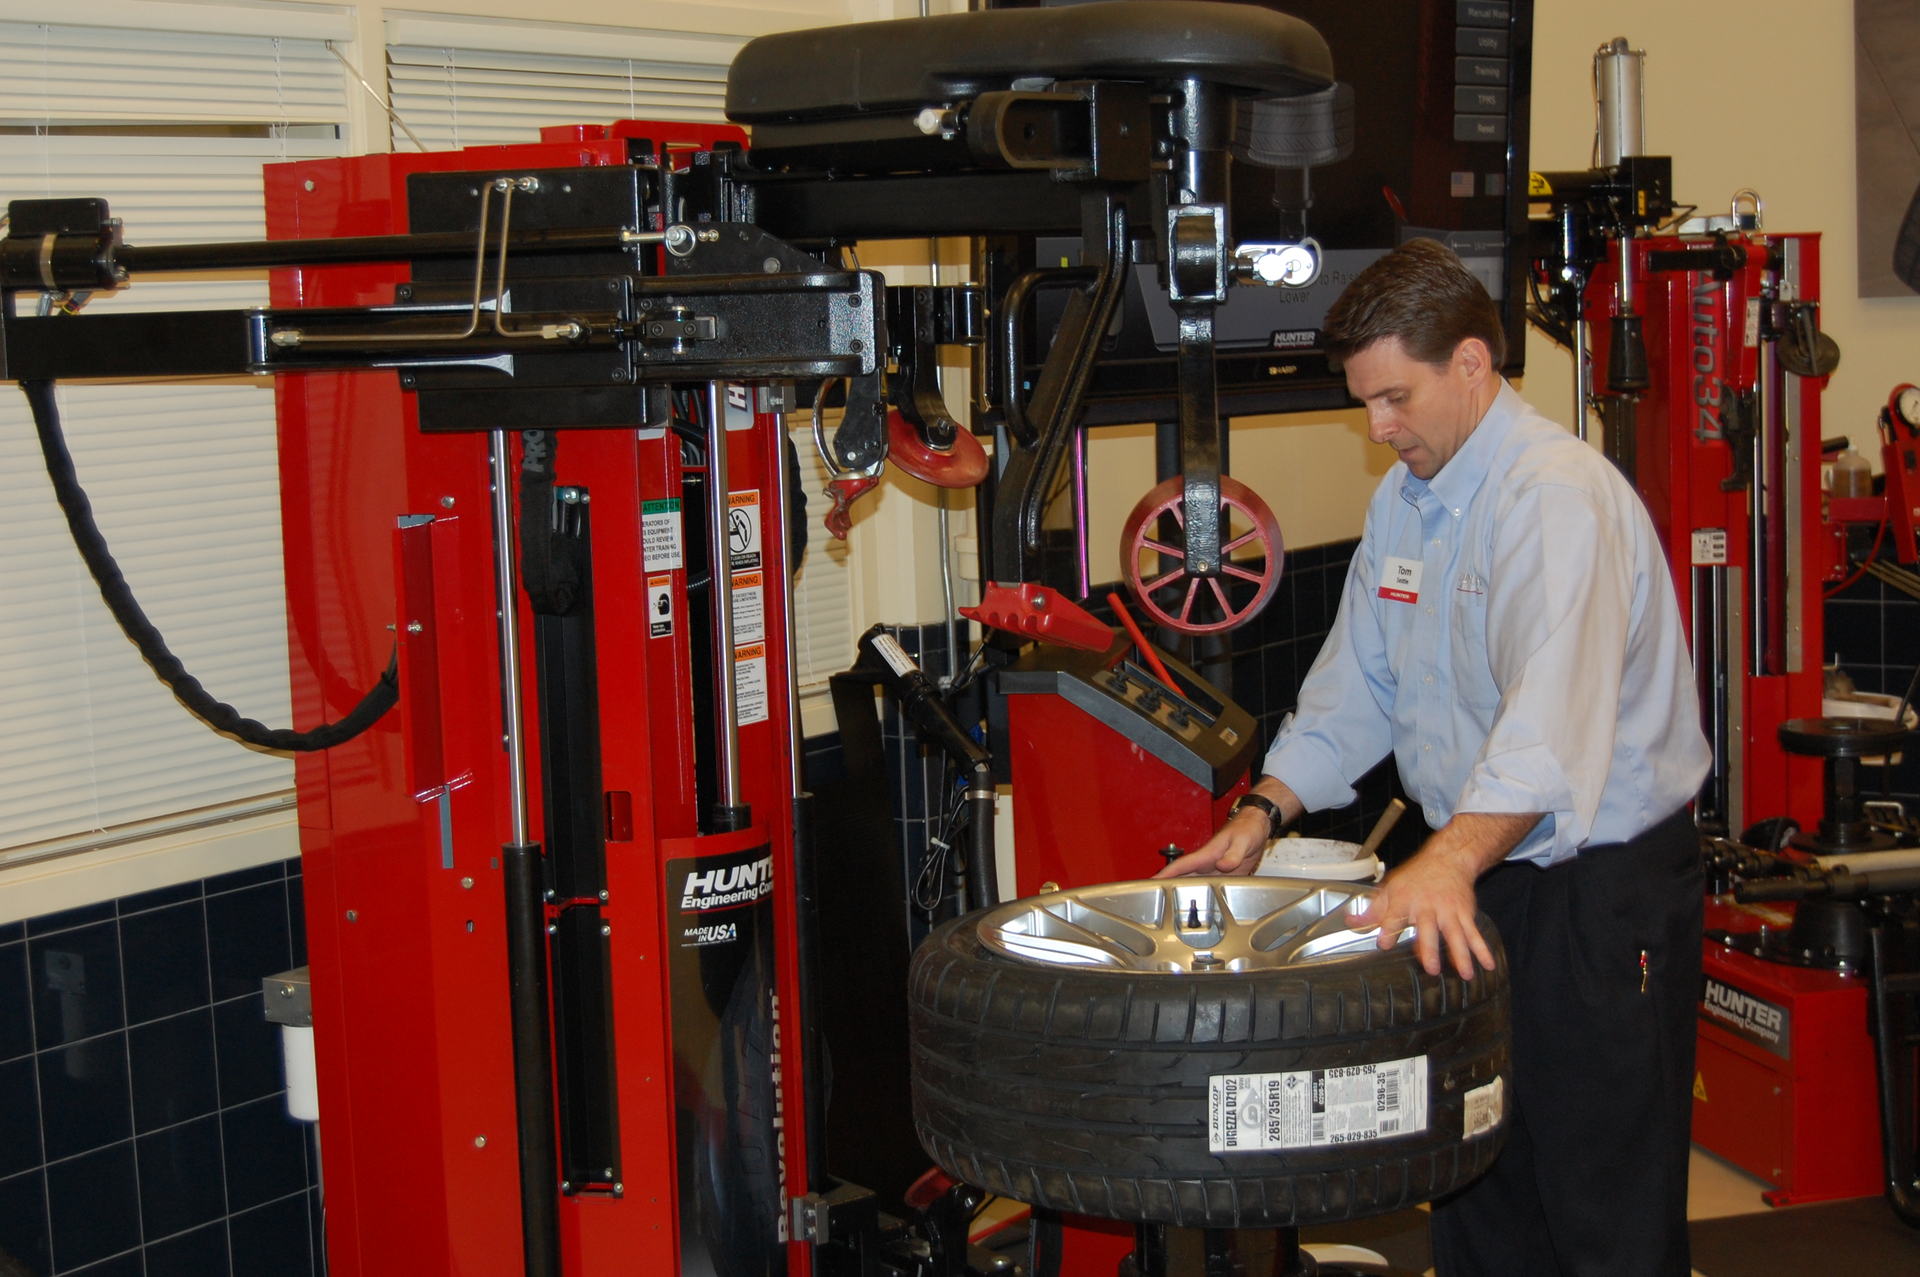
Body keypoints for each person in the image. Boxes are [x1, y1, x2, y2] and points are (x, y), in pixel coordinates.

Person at [1158, 238, 1711, 1277]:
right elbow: (1358, 684)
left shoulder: (1553, 499)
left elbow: (1549, 728)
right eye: (1365, 402)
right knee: (1478, 1168)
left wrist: (1445, 859)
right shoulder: (1406, 501)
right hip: (1482, 876)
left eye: (1394, 398)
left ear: (1470, 363)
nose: (1378, 427)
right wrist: (1263, 811)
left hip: (1597, 897)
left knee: (1602, 1199)